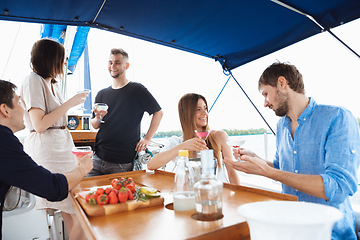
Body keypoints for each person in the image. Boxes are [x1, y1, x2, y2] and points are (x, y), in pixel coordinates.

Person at [223, 62, 360, 240]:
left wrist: (268, 172)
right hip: (289, 229)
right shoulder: (282, 125)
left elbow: (338, 187)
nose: (265, 103)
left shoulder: (337, 118)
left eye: (266, 94)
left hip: (328, 234)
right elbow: (282, 169)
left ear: (282, 83)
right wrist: (256, 159)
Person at [0, 80, 93, 239]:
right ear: (5, 110)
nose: (25, 110)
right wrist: (82, 169)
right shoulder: (4, 143)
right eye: (20, 103)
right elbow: (52, 187)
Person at [19, 39, 90, 240]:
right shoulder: (33, 80)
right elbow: (39, 124)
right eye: (62, 57)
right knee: (73, 208)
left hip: (62, 145)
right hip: (48, 149)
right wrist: (70, 103)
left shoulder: (52, 82)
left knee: (74, 207)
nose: (64, 61)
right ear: (50, 58)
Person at [88, 48, 163, 176]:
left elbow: (158, 112)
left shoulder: (137, 90)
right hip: (98, 158)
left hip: (122, 162)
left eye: (117, 62)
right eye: (110, 62)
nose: (113, 66)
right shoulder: (102, 94)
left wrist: (147, 138)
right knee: (87, 195)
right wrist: (98, 117)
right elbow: (95, 125)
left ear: (126, 66)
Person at [147, 93, 240, 184]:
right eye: (198, 109)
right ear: (186, 113)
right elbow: (151, 165)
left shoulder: (219, 136)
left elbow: (232, 173)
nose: (205, 113)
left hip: (219, 194)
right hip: (192, 196)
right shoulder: (177, 142)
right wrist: (184, 146)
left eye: (205, 108)